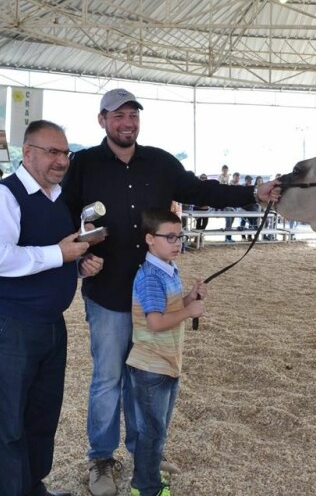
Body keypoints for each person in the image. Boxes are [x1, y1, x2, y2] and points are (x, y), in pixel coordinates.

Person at [60, 88, 279, 496]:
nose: (127, 122)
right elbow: (63, 214)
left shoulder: (161, 162)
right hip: (106, 292)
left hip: (154, 294)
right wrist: (77, 259)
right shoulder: (84, 164)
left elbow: (202, 190)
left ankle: (144, 455)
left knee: (145, 377)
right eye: (118, 115)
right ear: (102, 120)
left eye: (133, 115)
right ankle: (101, 458)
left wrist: (253, 193)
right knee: (108, 378)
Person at [0, 119, 104, 496]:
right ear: (27, 152)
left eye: (65, 153)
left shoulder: (57, 199)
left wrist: (78, 266)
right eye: (52, 152)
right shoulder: (3, 196)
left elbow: (50, 256)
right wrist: (59, 253)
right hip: (9, 323)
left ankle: (33, 486)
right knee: (7, 421)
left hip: (50, 322)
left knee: (41, 416)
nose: (61, 160)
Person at [127, 209, 207, 496]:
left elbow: (168, 309)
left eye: (180, 236)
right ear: (150, 239)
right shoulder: (150, 277)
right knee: (151, 431)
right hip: (151, 366)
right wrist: (189, 311)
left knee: (157, 429)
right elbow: (155, 322)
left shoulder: (169, 268)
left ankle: (148, 473)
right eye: (170, 237)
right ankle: (145, 487)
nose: (177, 243)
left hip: (167, 363)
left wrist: (190, 297)